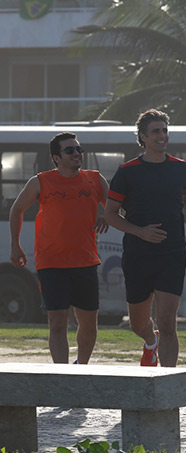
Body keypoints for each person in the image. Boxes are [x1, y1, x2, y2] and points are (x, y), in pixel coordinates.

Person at [105, 109, 186, 367]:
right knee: (138, 323)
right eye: (155, 132)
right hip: (138, 255)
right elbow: (110, 215)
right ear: (143, 137)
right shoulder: (127, 171)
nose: (162, 136)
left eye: (164, 130)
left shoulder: (181, 168)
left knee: (168, 322)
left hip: (172, 253)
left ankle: (167, 382)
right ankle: (151, 341)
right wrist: (140, 231)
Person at [9, 132, 109, 364]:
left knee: (89, 325)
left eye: (79, 150)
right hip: (51, 263)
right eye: (70, 150)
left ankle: (81, 368)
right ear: (56, 157)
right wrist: (16, 245)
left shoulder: (95, 179)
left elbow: (116, 210)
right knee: (57, 322)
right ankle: (63, 375)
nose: (77, 154)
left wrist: (107, 216)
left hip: (85, 261)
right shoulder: (40, 181)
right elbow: (17, 210)